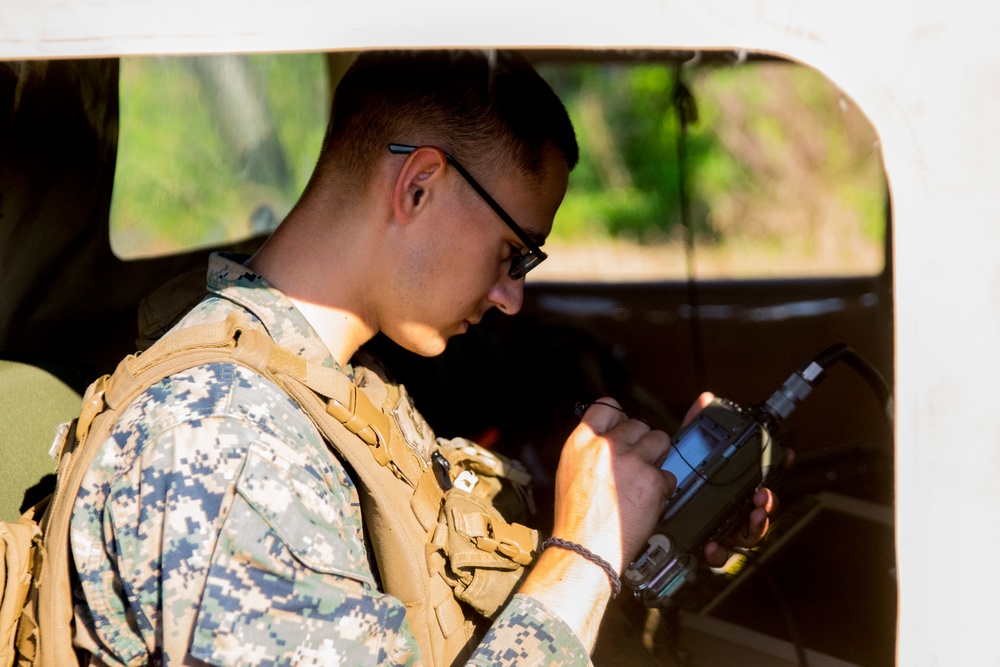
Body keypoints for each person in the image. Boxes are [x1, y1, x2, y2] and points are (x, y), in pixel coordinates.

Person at [70, 50, 776, 666]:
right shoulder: (223, 438)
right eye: (513, 253)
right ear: (418, 186)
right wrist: (583, 554)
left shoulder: (344, 389)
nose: (511, 298)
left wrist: (641, 533)